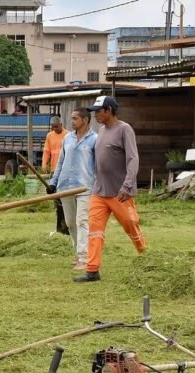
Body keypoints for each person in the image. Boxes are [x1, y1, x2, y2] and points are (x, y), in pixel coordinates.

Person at [74, 96, 147, 283]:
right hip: (99, 191)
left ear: (109, 111)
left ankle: (146, 256)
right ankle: (92, 270)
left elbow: (133, 159)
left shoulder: (124, 129)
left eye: (98, 111)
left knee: (131, 225)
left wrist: (127, 185)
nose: (95, 115)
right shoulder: (101, 130)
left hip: (119, 192)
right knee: (95, 230)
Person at [48, 108, 97, 271]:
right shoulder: (67, 139)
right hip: (65, 186)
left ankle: (84, 257)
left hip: (84, 187)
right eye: (71, 118)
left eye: (75, 118)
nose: (72, 121)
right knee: (70, 223)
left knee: (82, 221)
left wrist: (98, 185)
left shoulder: (95, 140)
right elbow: (61, 162)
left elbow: (98, 166)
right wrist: (53, 183)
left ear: (85, 120)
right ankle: (78, 252)